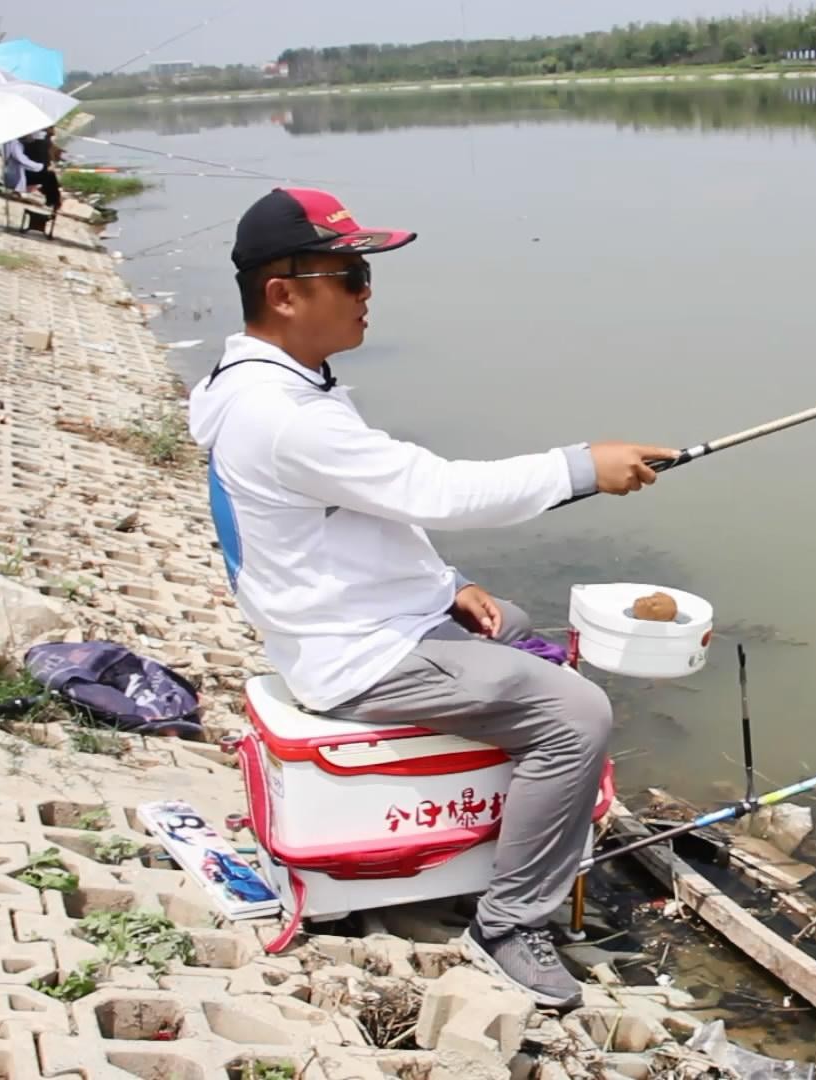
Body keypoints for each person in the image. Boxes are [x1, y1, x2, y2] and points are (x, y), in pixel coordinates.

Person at [187, 187, 676, 1009]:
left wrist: (450, 586)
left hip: (355, 621)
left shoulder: (265, 382)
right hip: (355, 655)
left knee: (512, 625)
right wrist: (583, 466)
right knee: (577, 712)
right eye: (349, 274)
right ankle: (511, 921)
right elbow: (436, 491)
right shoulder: (283, 415)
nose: (367, 291)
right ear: (284, 292)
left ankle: (514, 815)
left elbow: (365, 511)